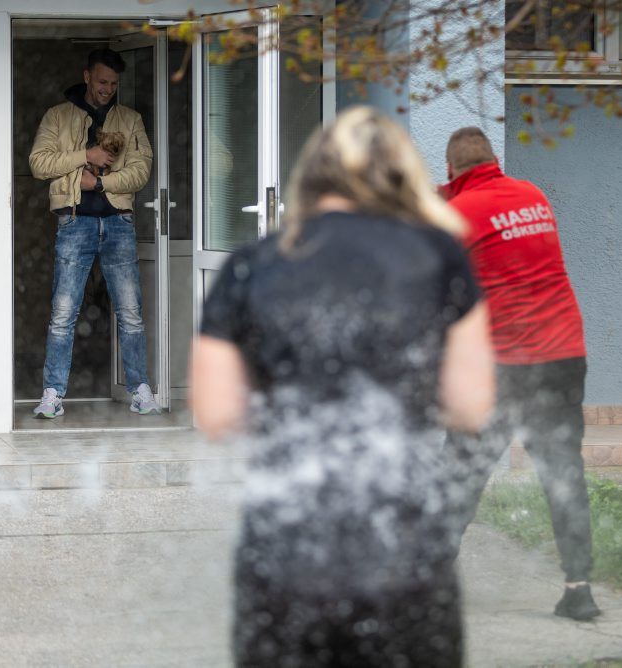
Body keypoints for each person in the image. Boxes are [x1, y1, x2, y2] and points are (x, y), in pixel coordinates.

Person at [190, 107, 495, 667]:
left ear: (311, 176)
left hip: (285, 556)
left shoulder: (252, 265)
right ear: (401, 176)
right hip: (404, 555)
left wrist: (296, 401)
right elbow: (471, 407)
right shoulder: (438, 257)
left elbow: (215, 414)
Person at [440, 126, 601, 621]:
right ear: (492, 159)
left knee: (462, 472)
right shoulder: (533, 195)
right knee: (563, 473)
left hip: (501, 368)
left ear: (450, 169)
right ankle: (579, 590)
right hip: (563, 354)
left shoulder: (457, 214)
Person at [29, 48, 159, 418]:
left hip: (119, 222)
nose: (108, 89)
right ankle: (52, 394)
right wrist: (86, 156)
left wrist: (100, 184)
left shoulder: (129, 119)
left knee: (130, 312)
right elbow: (38, 163)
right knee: (63, 312)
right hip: (74, 221)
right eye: (102, 81)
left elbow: (141, 171)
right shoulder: (58, 116)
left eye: (114, 84)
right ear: (87, 76)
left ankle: (140, 390)